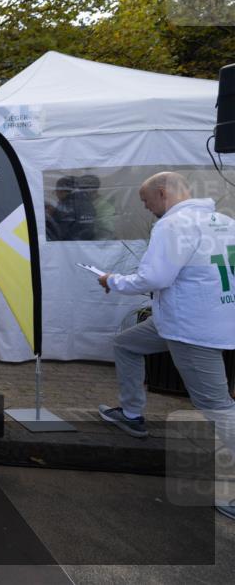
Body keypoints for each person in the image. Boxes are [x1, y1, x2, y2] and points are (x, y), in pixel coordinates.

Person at [96, 172, 235, 520]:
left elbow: (155, 277)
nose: (148, 210)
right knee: (127, 344)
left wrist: (112, 280)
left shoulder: (172, 226)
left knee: (217, 406)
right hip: (210, 318)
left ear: (162, 193)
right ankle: (131, 414)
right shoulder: (224, 221)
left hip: (190, 328)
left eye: (147, 203)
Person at [45, 175, 96, 241]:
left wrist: (50, 216)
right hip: (87, 244)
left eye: (56, 191)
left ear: (61, 191)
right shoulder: (87, 202)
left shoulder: (65, 206)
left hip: (68, 246)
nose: (57, 195)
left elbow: (57, 233)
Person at [78, 174, 115, 240]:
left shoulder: (105, 206)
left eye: (86, 188)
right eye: (81, 189)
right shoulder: (78, 202)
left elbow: (107, 229)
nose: (84, 192)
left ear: (95, 189)